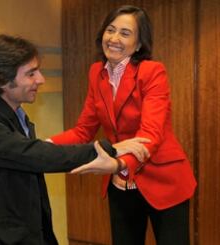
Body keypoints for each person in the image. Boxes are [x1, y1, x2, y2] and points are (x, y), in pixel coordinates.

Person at [0, 34, 149, 245]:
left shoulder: (14, 115)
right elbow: (34, 155)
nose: (40, 79)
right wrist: (107, 149)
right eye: (31, 74)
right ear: (2, 80)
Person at [49, 5, 197, 245]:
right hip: (120, 178)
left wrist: (119, 163)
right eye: (111, 30)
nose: (114, 38)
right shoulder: (96, 72)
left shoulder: (152, 71)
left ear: (139, 44)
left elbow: (150, 134)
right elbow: (83, 130)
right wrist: (43, 146)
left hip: (164, 179)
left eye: (125, 33)